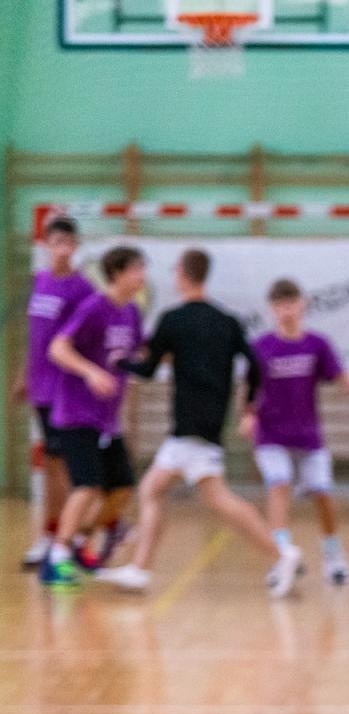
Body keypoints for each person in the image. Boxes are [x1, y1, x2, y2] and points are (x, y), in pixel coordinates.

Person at [95, 250, 302, 598]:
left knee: (214, 498)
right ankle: (140, 569)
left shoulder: (173, 320)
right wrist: (249, 404)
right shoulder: (227, 321)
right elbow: (255, 365)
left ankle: (282, 554)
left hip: (189, 424)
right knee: (155, 490)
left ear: (183, 274)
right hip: (207, 423)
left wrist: (120, 363)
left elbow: (145, 370)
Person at [240, 278, 349, 585]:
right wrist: (246, 416)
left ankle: (333, 555)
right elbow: (248, 389)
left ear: (302, 305)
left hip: (308, 436)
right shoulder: (261, 348)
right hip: (271, 434)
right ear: (272, 309)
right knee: (279, 484)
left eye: (292, 303)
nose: (287, 310)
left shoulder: (317, 344)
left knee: (322, 492)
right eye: (280, 305)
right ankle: (281, 556)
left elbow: (337, 375)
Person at [37, 246, 144, 589]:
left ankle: (83, 545)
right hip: (75, 413)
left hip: (107, 419)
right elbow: (58, 348)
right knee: (86, 486)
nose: (142, 276)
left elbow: (138, 350)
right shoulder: (93, 307)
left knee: (123, 487)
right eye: (136, 269)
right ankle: (55, 559)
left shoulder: (132, 313)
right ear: (117, 273)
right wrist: (90, 372)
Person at [15, 217, 97, 569]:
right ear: (46, 245)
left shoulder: (83, 290)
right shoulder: (41, 282)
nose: (61, 248)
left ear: (75, 247)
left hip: (66, 391)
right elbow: (36, 335)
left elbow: (89, 341)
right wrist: (24, 374)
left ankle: (66, 538)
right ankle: (51, 536)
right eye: (55, 242)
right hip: (41, 389)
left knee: (65, 467)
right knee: (50, 464)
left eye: (68, 242)